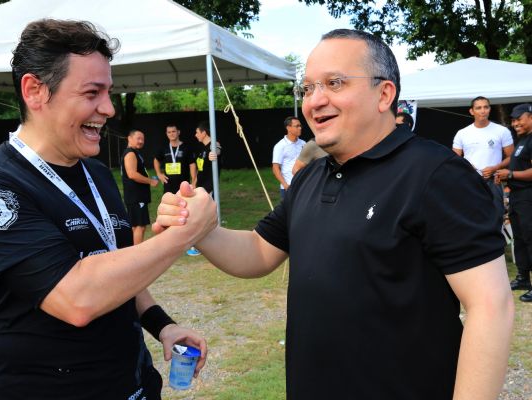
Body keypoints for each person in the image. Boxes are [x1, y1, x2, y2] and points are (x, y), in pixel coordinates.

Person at [155, 29, 514, 399]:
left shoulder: (434, 174)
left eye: (335, 83)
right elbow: (259, 251)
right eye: (308, 88)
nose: (315, 100)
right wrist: (200, 228)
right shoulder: (312, 175)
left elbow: (490, 306)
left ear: (384, 94)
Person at [0, 19, 216, 400]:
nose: (107, 108)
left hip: (133, 384)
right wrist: (184, 235)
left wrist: (162, 325)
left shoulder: (94, 171)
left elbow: (115, 263)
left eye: (108, 91)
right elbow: (77, 298)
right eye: (92, 93)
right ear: (35, 91)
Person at [495, 103, 532, 302]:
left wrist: (510, 174)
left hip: (529, 196)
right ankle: (523, 277)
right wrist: (502, 172)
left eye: (519, 119)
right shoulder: (522, 140)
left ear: (531, 117)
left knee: (530, 237)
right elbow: (515, 164)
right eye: (513, 120)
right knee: (519, 237)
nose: (515, 123)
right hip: (518, 195)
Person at [452, 96, 514, 215]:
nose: (483, 110)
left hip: (494, 180)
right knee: (471, 216)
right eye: (478, 108)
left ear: (490, 109)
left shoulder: (502, 131)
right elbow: (454, 158)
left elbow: (512, 157)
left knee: (496, 215)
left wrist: (495, 168)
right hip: (470, 180)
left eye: (486, 107)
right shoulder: (462, 133)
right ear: (472, 111)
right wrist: (469, 166)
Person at [187, 121, 222, 256]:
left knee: (205, 217)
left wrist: (215, 153)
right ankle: (202, 244)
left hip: (209, 188)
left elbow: (218, 149)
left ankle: (206, 245)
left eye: (197, 132)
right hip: (200, 188)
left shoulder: (213, 146)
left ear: (204, 133)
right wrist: (194, 184)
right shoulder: (202, 148)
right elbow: (200, 169)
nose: (195, 135)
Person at [121, 129, 159, 245]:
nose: (141, 141)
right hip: (136, 197)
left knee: (136, 226)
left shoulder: (134, 152)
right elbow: (132, 174)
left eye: (143, 139)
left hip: (135, 196)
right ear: (129, 138)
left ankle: (132, 252)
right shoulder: (130, 153)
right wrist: (150, 181)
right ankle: (137, 254)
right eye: (138, 138)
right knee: (139, 226)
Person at [153, 124, 196, 195]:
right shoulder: (164, 148)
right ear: (166, 134)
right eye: (169, 132)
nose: (171, 134)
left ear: (178, 132)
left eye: (173, 131)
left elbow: (192, 164)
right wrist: (159, 174)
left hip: (183, 184)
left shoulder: (186, 147)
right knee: (170, 204)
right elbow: (156, 160)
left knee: (184, 204)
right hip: (168, 185)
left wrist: (194, 181)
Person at [272, 116, 305, 198]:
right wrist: (286, 185)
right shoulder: (280, 146)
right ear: (288, 128)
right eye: (297, 126)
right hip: (289, 188)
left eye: (300, 126)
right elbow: (275, 168)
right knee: (288, 211)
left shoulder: (303, 144)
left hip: (303, 186)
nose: (300, 128)